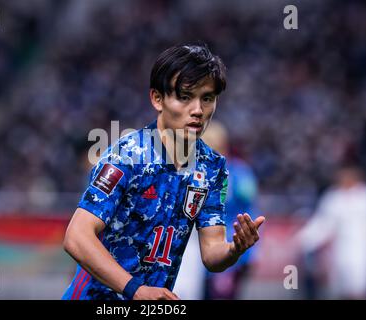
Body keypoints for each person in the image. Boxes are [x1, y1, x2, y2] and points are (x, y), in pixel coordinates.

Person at [61, 42, 265, 300]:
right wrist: (136, 290)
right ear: (157, 99)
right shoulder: (127, 156)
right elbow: (76, 237)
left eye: (207, 98)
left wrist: (234, 249)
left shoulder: (213, 167)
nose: (198, 110)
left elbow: (212, 253)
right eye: (185, 96)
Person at [174, 121, 259, 300]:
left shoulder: (238, 171)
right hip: (203, 248)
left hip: (231, 244)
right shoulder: (194, 172)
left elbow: (248, 198)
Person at [296, 164, 366, 299]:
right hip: (341, 252)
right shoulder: (334, 198)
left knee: (358, 289)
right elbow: (322, 224)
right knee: (342, 290)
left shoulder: (363, 197)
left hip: (362, 251)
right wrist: (304, 239)